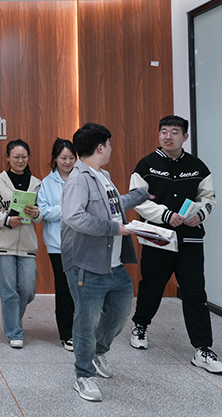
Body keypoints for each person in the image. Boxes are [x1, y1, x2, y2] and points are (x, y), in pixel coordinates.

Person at [128, 115, 222, 374]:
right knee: (152, 286)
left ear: (185, 136)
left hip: (189, 240)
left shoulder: (197, 167)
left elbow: (208, 197)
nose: (168, 136)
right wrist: (165, 215)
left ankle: (203, 348)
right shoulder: (146, 165)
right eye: (163, 131)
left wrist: (201, 214)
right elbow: (138, 200)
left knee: (195, 292)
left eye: (174, 132)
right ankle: (140, 325)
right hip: (158, 238)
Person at [61, 123, 149, 402]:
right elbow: (73, 216)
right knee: (85, 321)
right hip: (86, 264)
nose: (111, 149)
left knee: (120, 312)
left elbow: (112, 207)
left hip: (113, 263)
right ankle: (83, 375)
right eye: (109, 144)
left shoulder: (103, 176)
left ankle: (97, 352)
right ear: (100, 147)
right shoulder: (78, 179)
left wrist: (140, 195)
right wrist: (114, 229)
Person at [0, 139, 42, 349]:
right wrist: (7, 220)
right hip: (2, 244)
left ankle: (13, 319)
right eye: (16, 157)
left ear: (29, 158)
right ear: (8, 158)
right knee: (9, 291)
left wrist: (35, 212)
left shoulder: (36, 183)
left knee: (28, 290)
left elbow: (42, 213)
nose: (20, 160)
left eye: (24, 157)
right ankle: (14, 332)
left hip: (27, 245)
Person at [37, 138, 78, 352]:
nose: (67, 162)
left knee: (81, 288)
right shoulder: (47, 182)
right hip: (57, 243)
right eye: (63, 158)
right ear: (55, 159)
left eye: (71, 158)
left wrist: (62, 210)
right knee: (63, 288)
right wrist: (68, 210)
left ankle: (81, 329)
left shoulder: (82, 178)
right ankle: (66, 333)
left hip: (82, 243)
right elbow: (44, 211)